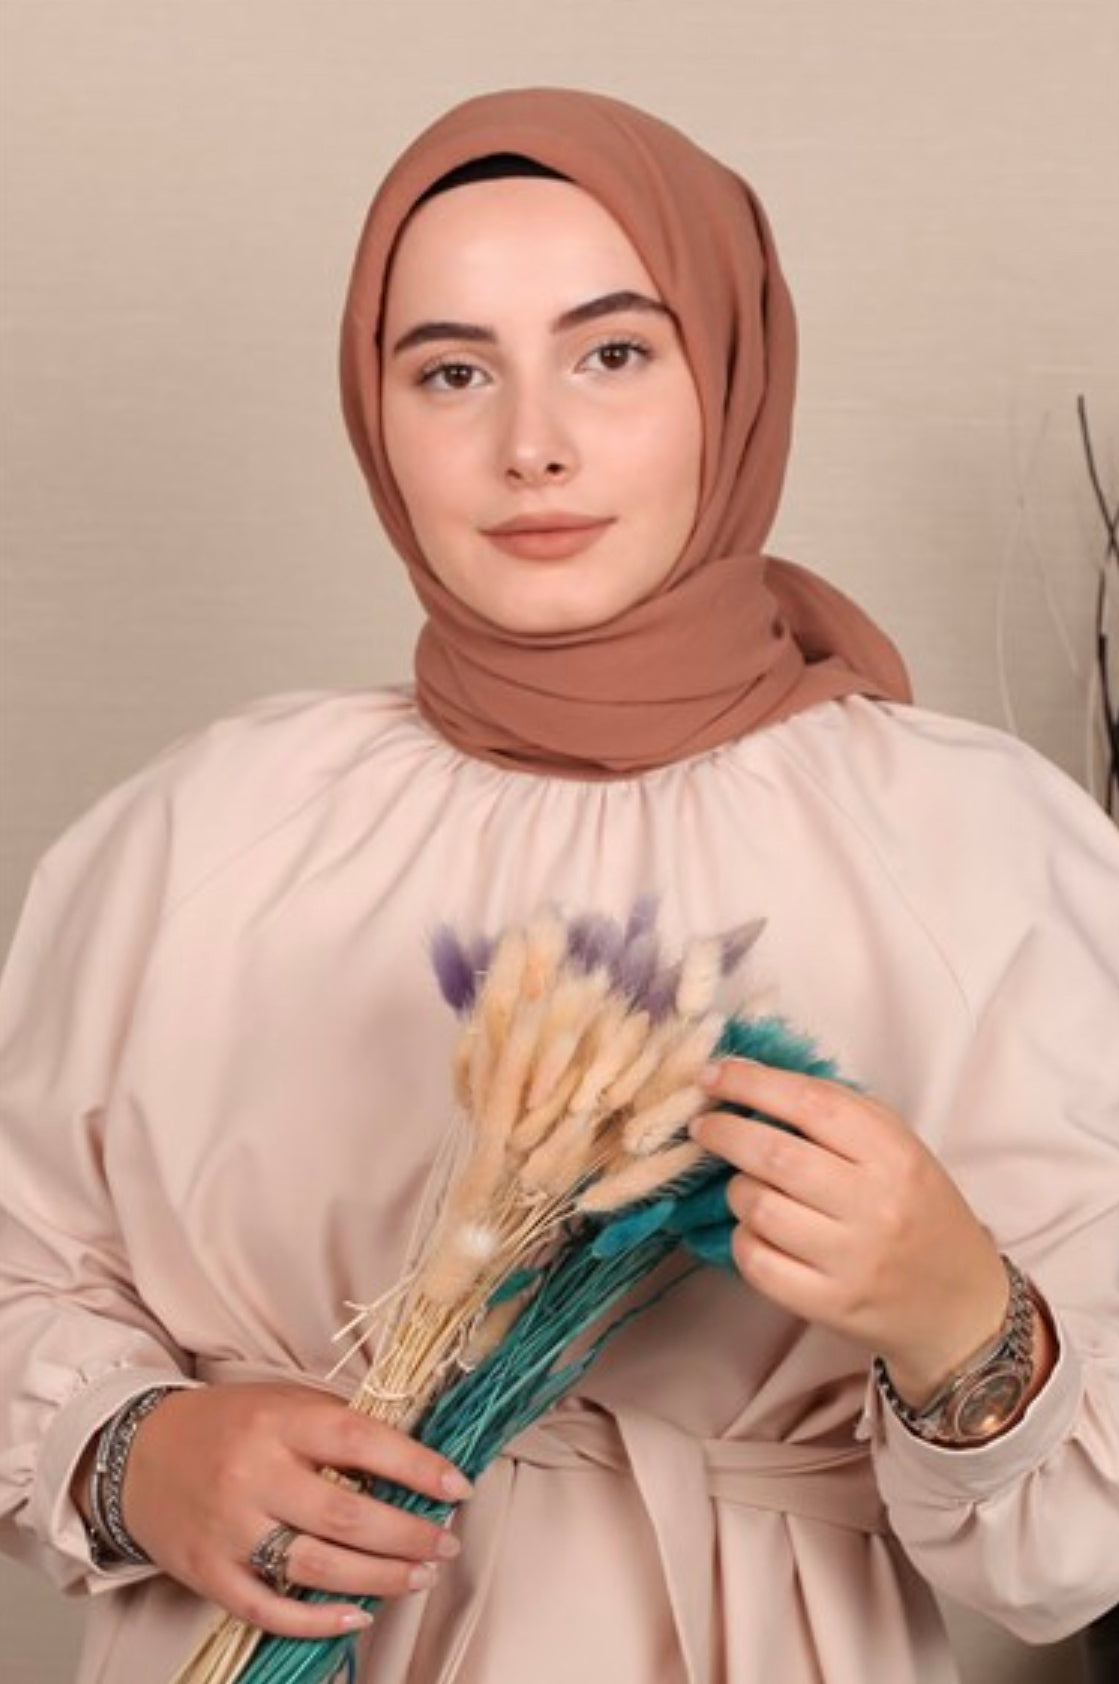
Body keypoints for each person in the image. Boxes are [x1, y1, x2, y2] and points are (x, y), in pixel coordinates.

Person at [0, 86, 1117, 1684]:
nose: (531, 443)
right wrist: (134, 1452)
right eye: (452, 371)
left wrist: (963, 1320)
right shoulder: (195, 830)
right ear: (373, 414)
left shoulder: (980, 841)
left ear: (730, 374)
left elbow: (1076, 1556)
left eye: (613, 353)